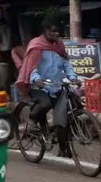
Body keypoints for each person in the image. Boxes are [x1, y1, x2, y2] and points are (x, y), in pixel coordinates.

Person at [21, 23, 76, 157]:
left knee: (65, 115)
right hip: (39, 86)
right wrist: (36, 79)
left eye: (58, 32)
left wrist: (73, 77)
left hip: (56, 86)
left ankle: (64, 149)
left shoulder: (59, 46)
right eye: (53, 31)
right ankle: (32, 119)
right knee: (45, 103)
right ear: (45, 31)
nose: (56, 34)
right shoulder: (36, 45)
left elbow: (66, 64)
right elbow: (31, 66)